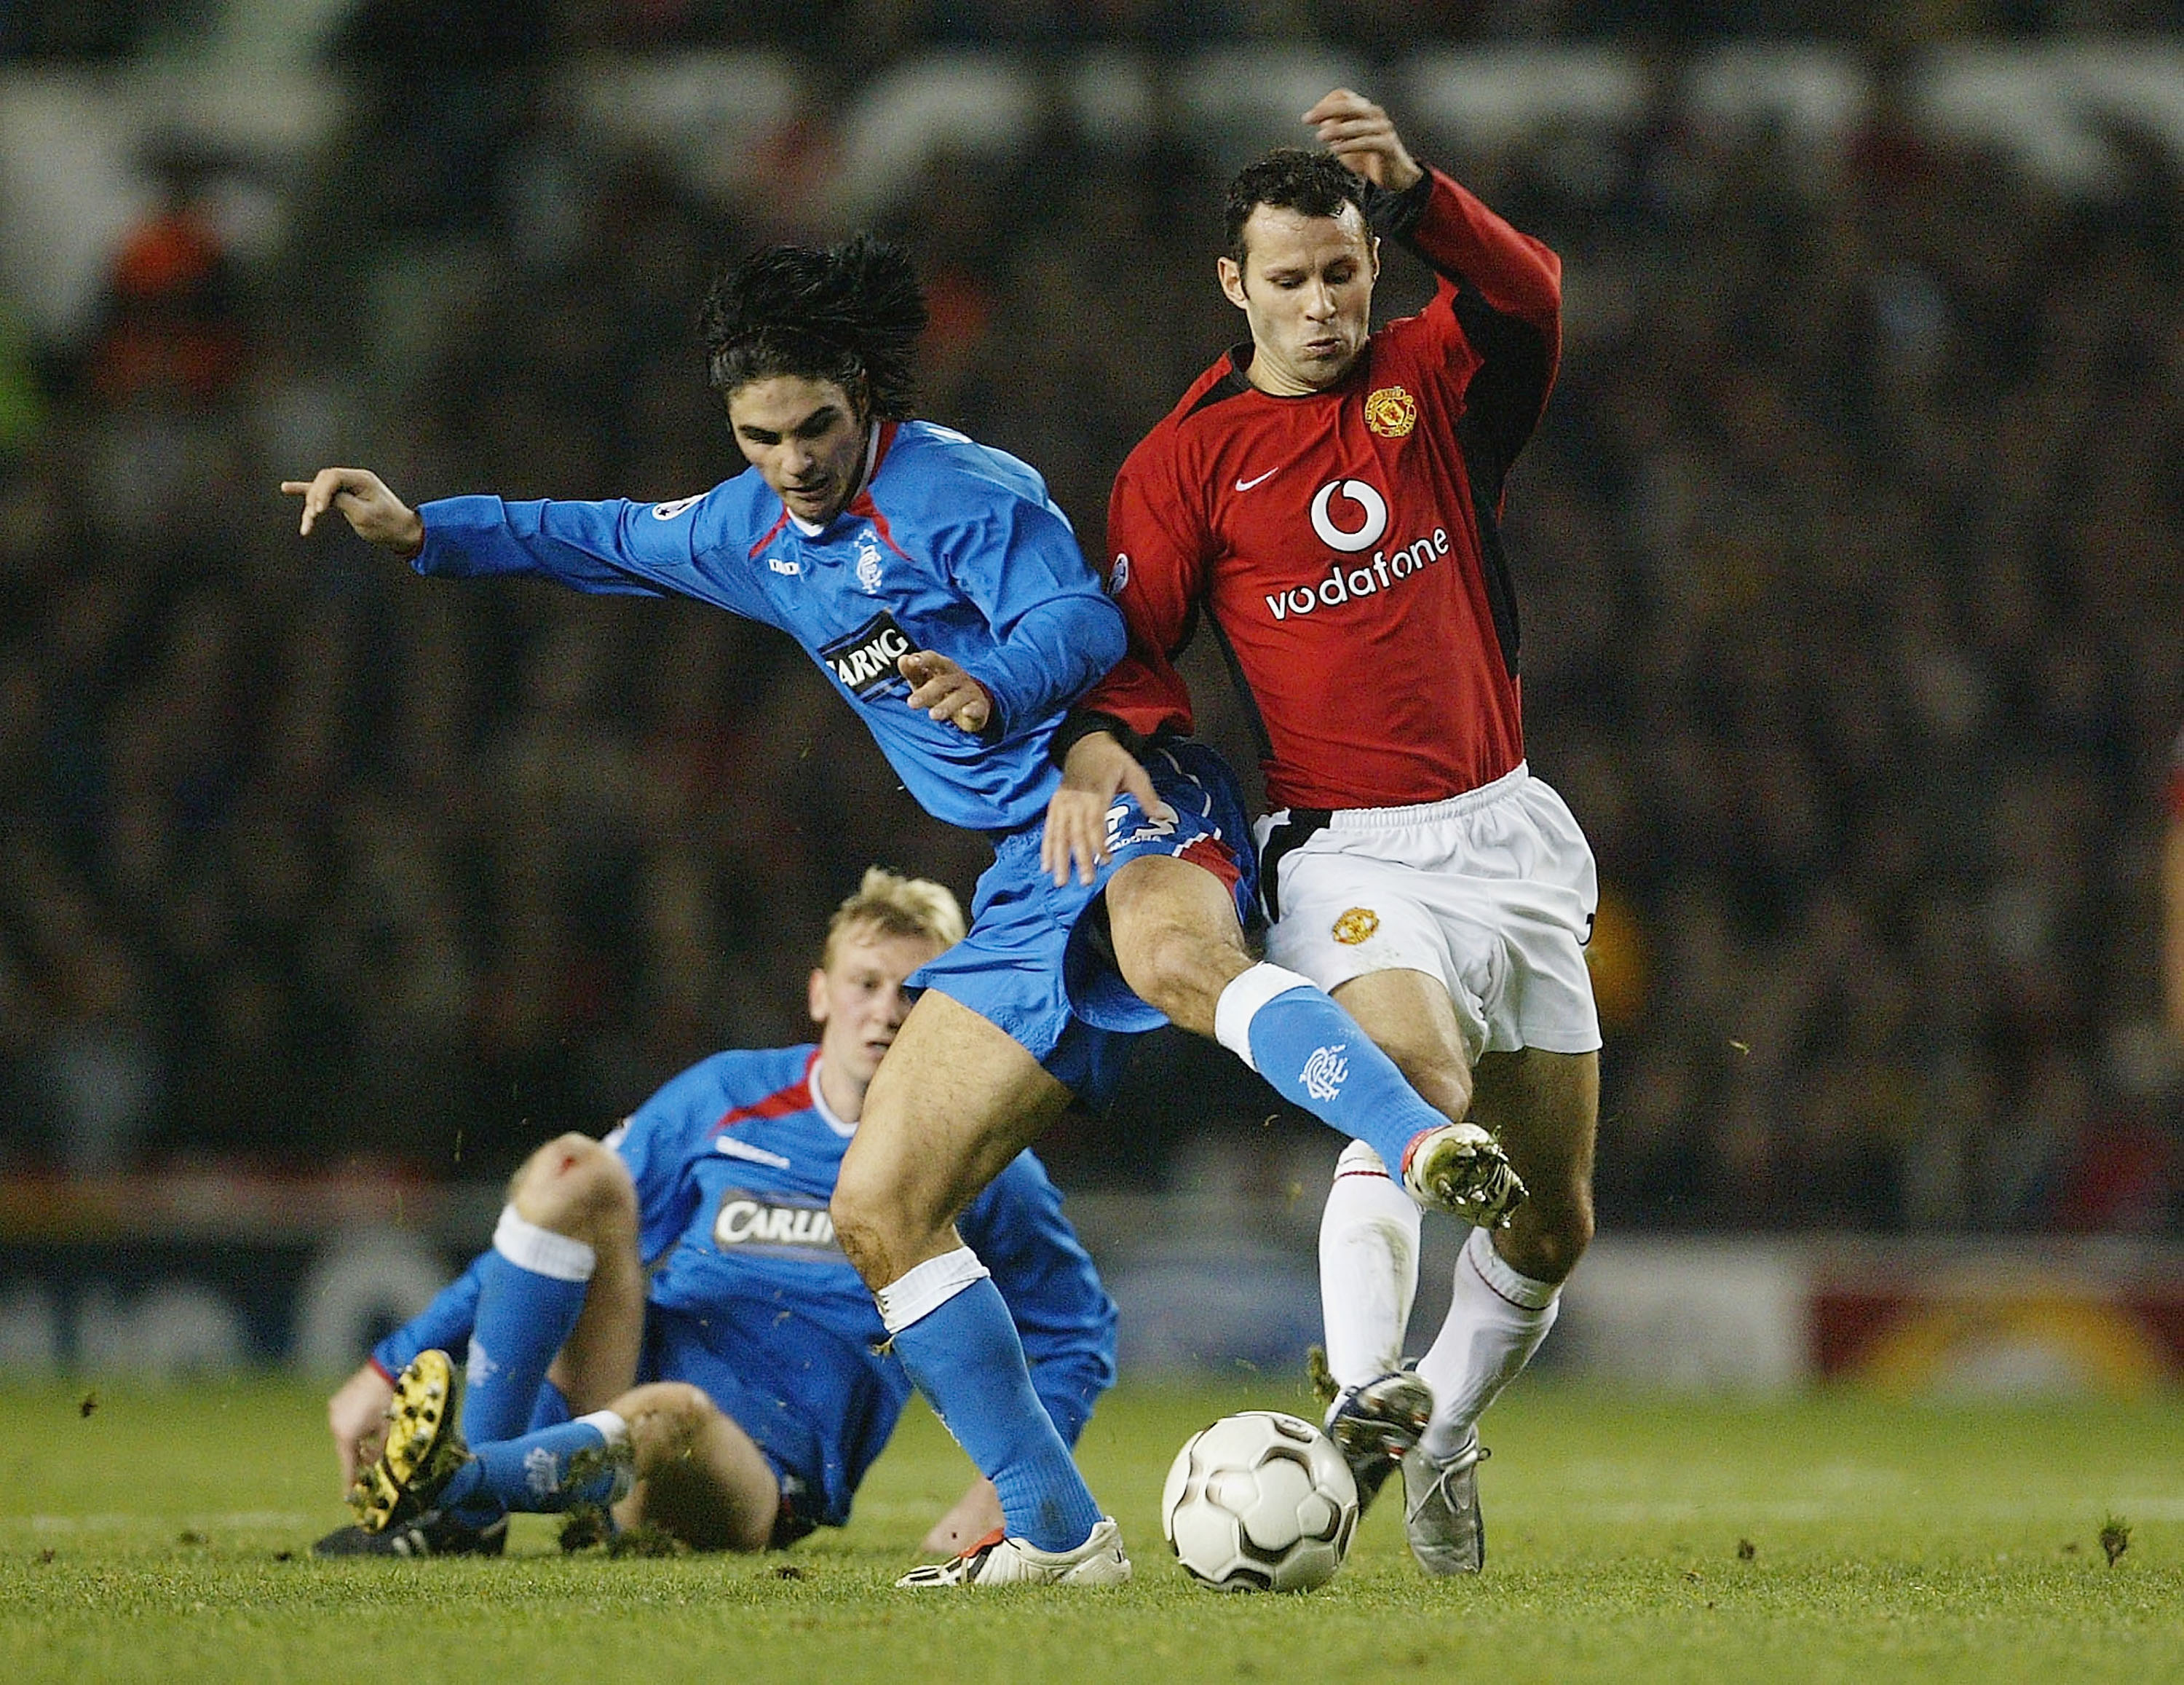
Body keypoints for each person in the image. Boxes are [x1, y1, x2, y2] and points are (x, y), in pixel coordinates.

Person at [284, 235, 1516, 1587]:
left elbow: (1081, 621)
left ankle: (1412, 1140)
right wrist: (424, 532)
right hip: (1019, 873)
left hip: (1123, 789)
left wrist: (991, 683)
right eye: (762, 435)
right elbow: (602, 537)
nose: (794, 458)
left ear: (866, 395)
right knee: (879, 1200)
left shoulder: (967, 491)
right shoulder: (749, 529)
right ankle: (1058, 1534)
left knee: (1175, 955)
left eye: (816, 426)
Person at [1041, 90, 1600, 1575]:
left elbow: (1533, 294)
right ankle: (1363, 1390)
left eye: (1343, 270)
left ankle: (1445, 1428)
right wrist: (1110, 746)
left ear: (1373, 262)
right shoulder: (1183, 461)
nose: (1321, 304)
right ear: (1235, 287)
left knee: (1554, 1228)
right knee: (1415, 1078)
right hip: (1349, 842)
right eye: (1287, 279)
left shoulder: (1433, 376)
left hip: (1512, 830)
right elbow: (1134, 650)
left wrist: (1421, 191)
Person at [317, 868, 1112, 1558]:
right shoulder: (727, 1095)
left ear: (948, 1007)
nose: (887, 1011)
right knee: (572, 1169)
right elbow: (544, 1234)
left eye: (917, 991)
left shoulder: (978, 1156)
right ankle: (475, 1510)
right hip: (614, 1385)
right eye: (866, 983)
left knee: (678, 1416)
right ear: (819, 992)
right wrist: (389, 1364)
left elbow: (1077, 1331)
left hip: (749, 1473)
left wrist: (1003, 1494)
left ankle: (459, 1486)